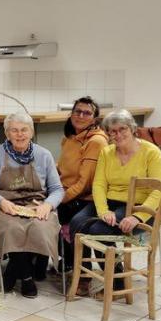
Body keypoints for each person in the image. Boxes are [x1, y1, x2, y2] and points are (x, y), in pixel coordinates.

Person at [70, 109, 161, 293]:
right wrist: (104, 210)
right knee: (76, 223)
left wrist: (137, 217)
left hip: (140, 207)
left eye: (122, 129)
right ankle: (83, 275)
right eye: (112, 131)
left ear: (132, 129)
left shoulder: (151, 152)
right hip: (110, 202)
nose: (117, 134)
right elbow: (98, 185)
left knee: (98, 230)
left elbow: (158, 190)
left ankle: (117, 280)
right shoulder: (107, 152)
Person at [0, 113, 64, 298]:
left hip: (36, 204)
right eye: (14, 130)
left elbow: (57, 189)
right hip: (4, 204)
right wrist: (1, 202)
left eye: (24, 130)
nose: (19, 134)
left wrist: (47, 205)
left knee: (39, 227)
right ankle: (27, 277)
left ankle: (12, 270)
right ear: (7, 133)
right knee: (12, 227)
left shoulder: (44, 155)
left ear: (31, 132)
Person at [56, 97, 108, 274]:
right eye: (77, 111)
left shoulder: (96, 142)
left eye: (87, 113)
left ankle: (82, 272)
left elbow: (84, 184)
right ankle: (68, 261)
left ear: (94, 119)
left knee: (70, 221)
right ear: (71, 114)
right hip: (67, 193)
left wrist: (58, 199)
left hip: (85, 198)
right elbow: (62, 167)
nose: (81, 115)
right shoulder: (69, 138)